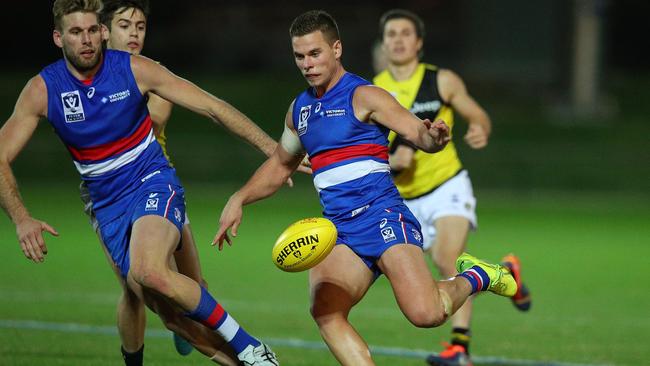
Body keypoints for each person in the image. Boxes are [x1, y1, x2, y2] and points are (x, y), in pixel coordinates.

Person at [215, 10, 517, 366]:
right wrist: (240, 198)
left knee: (426, 314)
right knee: (326, 310)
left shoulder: (365, 96)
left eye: (315, 53)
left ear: (337, 49)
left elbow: (416, 132)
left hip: (382, 216)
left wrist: (433, 138)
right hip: (340, 231)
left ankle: (478, 275)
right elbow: (281, 164)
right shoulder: (300, 111)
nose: (307, 64)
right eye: (300, 56)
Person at [0, 1, 279, 365]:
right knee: (171, 316)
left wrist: (276, 150)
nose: (85, 40)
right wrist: (21, 217)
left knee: (150, 271)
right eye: (74, 32)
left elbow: (212, 106)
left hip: (151, 181)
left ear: (101, 32)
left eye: (91, 30)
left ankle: (249, 346)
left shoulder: (136, 70)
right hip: (105, 204)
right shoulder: (43, 89)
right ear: (58, 37)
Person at [373, 9, 532, 366]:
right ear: (383, 44)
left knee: (448, 260)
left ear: (419, 43)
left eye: (405, 33)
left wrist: (480, 127)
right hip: (404, 200)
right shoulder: (372, 90)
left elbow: (476, 113)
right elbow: (367, 147)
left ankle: (460, 349)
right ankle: (507, 276)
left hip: (447, 186)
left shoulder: (441, 80)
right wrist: (389, 159)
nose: (397, 39)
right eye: (391, 34)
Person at [76, 0, 207, 360]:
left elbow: (155, 117)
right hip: (109, 195)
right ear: (104, 31)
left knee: (193, 285)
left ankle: (193, 324)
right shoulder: (81, 78)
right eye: (124, 25)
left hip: (156, 185)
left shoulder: (153, 73)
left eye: (140, 26)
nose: (134, 33)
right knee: (132, 288)